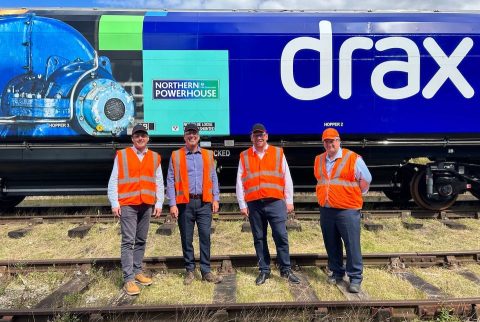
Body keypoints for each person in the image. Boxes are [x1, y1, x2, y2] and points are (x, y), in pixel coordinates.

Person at [236, 123, 300, 285]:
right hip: (254, 203)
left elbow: (287, 177)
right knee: (259, 238)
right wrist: (242, 204)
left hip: (276, 202)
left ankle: (285, 270)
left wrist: (289, 200)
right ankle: (264, 270)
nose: (259, 138)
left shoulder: (278, 153)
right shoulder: (244, 156)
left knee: (281, 236)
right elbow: (239, 181)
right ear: (251, 137)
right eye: (256, 135)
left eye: (261, 135)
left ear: (266, 136)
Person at [107, 124, 164, 296]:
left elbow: (158, 181)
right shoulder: (122, 155)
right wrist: (114, 203)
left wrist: (159, 202)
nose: (140, 138)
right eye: (137, 136)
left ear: (148, 138)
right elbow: (114, 180)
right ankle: (128, 279)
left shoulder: (155, 157)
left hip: (146, 204)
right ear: (132, 138)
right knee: (128, 241)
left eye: (143, 136)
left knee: (141, 240)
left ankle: (137, 271)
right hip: (128, 204)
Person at [314, 127, 372, 293]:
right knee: (331, 243)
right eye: (326, 141)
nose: (329, 144)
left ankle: (355, 278)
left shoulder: (352, 157)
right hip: (326, 208)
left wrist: (353, 193)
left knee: (352, 244)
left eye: (332, 140)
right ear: (323, 143)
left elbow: (366, 178)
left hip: (347, 208)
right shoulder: (319, 159)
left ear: (338, 141)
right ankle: (337, 272)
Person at [166, 123, 222, 285]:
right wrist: (172, 204)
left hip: (204, 202)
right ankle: (190, 270)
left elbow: (213, 177)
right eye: (189, 133)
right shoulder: (176, 155)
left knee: (205, 236)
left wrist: (216, 198)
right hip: (185, 203)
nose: (192, 136)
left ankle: (206, 271)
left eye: (194, 133)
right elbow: (170, 180)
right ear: (184, 137)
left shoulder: (207, 154)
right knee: (186, 238)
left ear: (198, 136)